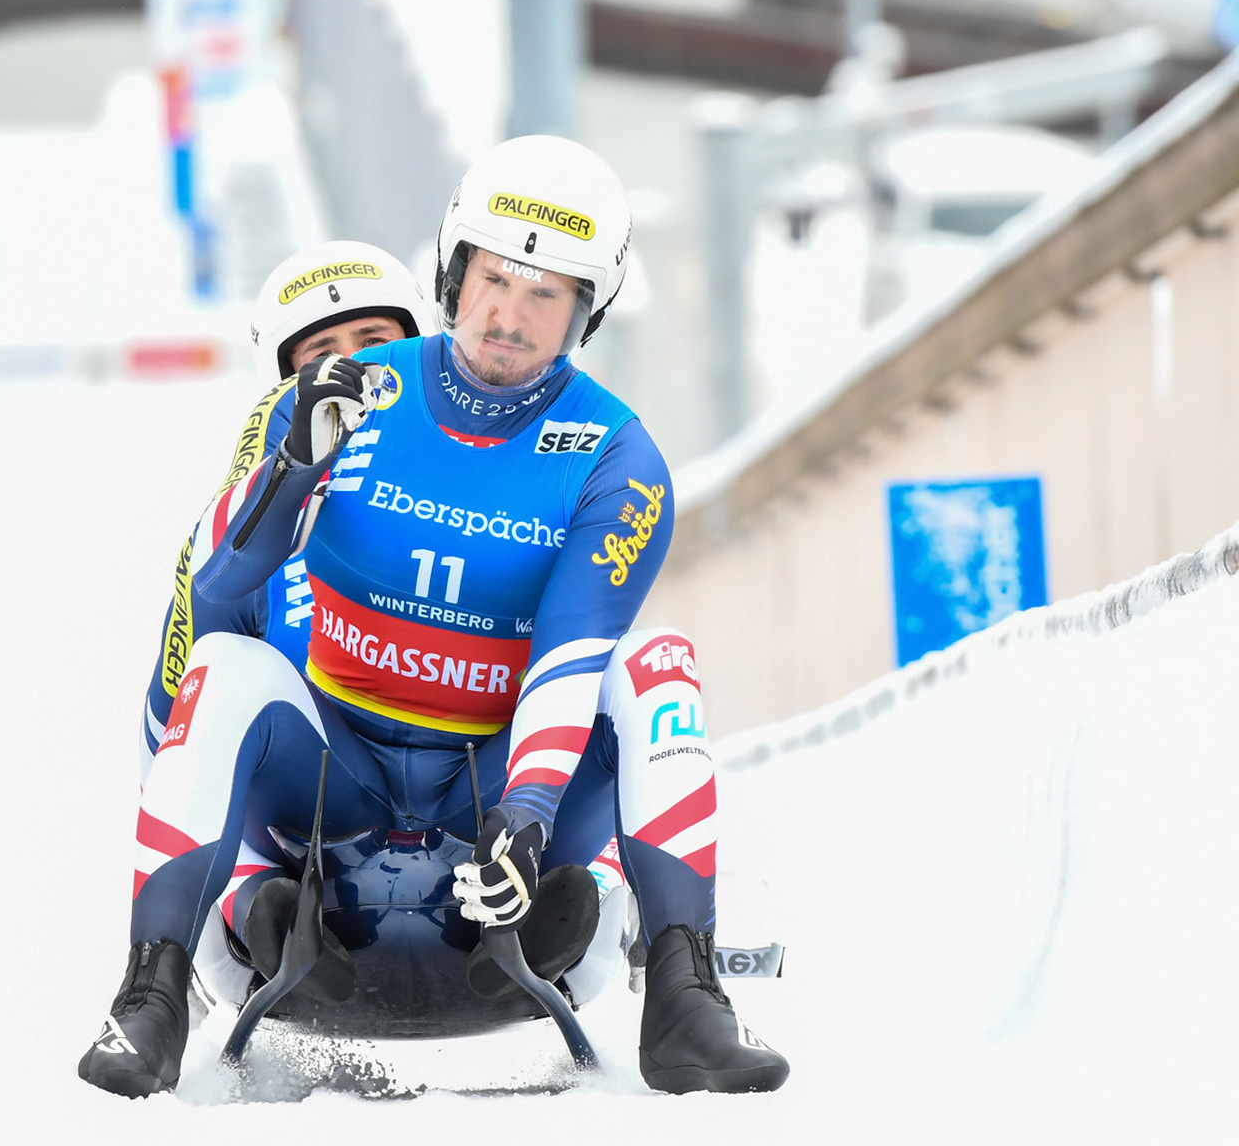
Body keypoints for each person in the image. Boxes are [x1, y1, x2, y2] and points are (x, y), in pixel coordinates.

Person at [83, 136, 789, 1098]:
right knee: (227, 667)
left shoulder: (620, 462)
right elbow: (211, 592)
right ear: (454, 275)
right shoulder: (348, 397)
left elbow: (571, 656)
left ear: (588, 313)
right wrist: (291, 470)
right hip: (330, 795)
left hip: (488, 797)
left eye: (547, 295)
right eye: (495, 279)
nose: (510, 316)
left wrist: (526, 815)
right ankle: (149, 995)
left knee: (657, 658)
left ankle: (686, 996)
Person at [140, 241, 434, 784]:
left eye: (376, 342)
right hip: (313, 820)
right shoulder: (238, 551)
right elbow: (167, 746)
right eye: (323, 357)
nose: (353, 368)